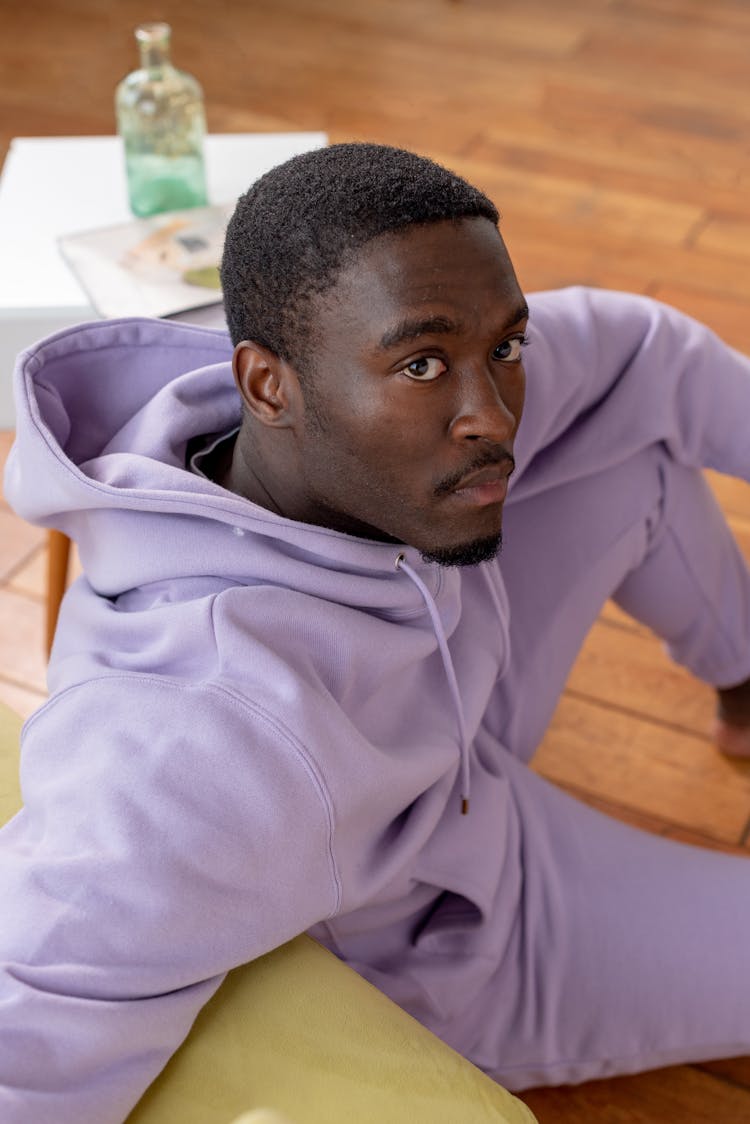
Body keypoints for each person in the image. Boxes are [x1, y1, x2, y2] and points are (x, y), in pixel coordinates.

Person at [1, 142, 749, 1122]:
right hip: (460, 944)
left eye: (505, 348)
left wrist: (460, 360)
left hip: (450, 746)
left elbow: (647, 352)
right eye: (425, 363)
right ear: (268, 385)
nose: (492, 415)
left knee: (633, 456)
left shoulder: (340, 403)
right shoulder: (196, 748)